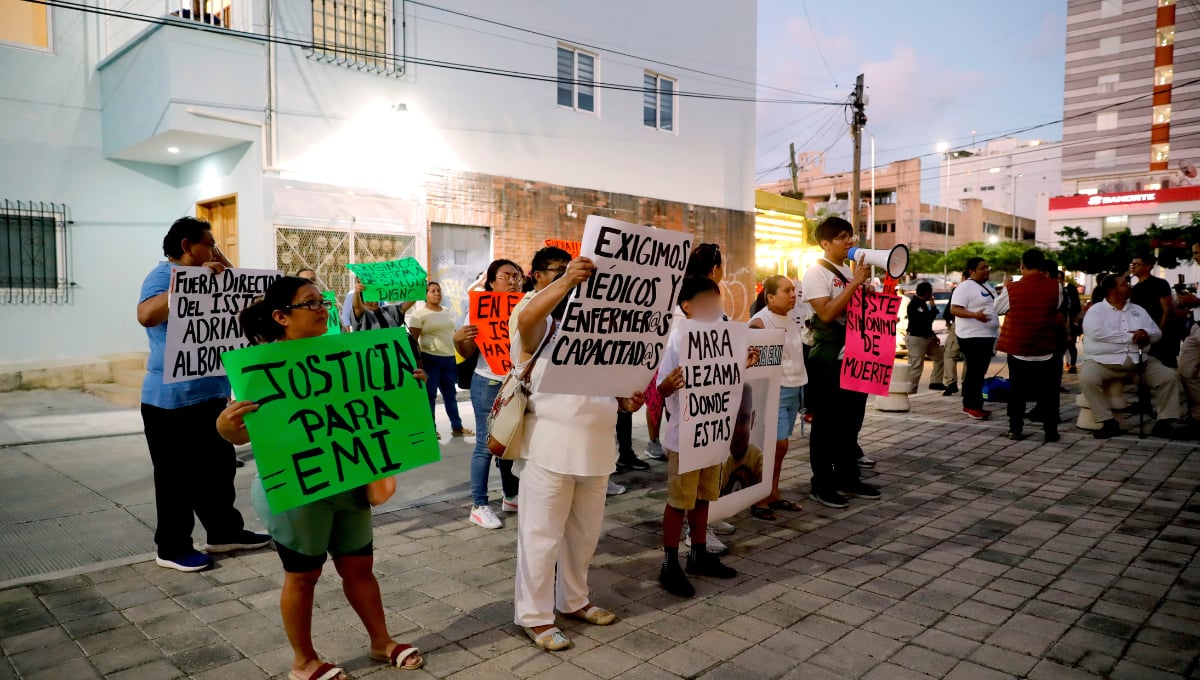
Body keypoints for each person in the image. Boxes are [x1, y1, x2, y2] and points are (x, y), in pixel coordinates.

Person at [216, 277, 425, 679]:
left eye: (322, 301)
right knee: (303, 575)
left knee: (360, 566)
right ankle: (303, 660)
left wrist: (409, 390)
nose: (322, 308)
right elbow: (240, 432)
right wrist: (225, 426)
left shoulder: (347, 354)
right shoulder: (260, 368)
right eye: (310, 303)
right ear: (281, 317)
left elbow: (383, 410)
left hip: (350, 478)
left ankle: (381, 642)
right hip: (299, 489)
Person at [511, 255, 645, 652]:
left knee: (584, 535)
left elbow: (615, 390)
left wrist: (626, 401)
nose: (578, 281)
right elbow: (526, 322)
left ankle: (573, 600)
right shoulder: (537, 316)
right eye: (563, 273)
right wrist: (566, 282)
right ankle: (534, 617)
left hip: (598, 448)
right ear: (541, 278)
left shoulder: (601, 328)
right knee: (541, 536)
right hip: (549, 448)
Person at [136, 216, 269, 573]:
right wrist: (189, 287)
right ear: (186, 246)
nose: (214, 250)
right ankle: (172, 546)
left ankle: (224, 532)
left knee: (217, 471)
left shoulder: (213, 276)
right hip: (170, 401)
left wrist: (221, 266)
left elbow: (247, 297)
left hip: (210, 397)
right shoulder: (163, 276)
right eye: (209, 243)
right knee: (174, 477)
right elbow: (147, 315)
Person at [656, 276, 740, 597]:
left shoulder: (725, 337)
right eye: (705, 301)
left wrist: (744, 364)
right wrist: (669, 385)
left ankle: (698, 553)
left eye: (715, 300)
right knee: (680, 501)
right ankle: (669, 562)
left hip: (711, 434)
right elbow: (661, 387)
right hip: (685, 438)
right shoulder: (678, 339)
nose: (713, 307)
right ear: (686, 307)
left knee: (704, 497)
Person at [801, 219, 881, 510]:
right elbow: (826, 313)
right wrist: (856, 284)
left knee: (851, 419)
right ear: (825, 243)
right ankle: (821, 484)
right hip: (828, 358)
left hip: (854, 354)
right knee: (826, 423)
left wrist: (865, 294)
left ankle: (848, 476)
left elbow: (853, 309)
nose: (850, 241)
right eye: (842, 237)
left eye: (851, 236)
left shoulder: (847, 272)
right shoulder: (815, 272)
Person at [453, 259, 526, 530]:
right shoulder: (479, 310)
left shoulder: (527, 307)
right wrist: (459, 338)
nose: (513, 281)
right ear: (491, 282)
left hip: (516, 383)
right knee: (486, 445)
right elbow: (469, 351)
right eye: (506, 276)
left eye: (517, 276)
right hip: (489, 382)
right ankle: (479, 505)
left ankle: (510, 496)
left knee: (510, 442)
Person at [1080, 274, 1187, 440]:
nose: (1129, 286)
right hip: (1104, 362)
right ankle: (1107, 421)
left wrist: (1145, 334)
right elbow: (1097, 333)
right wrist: (1131, 336)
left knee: (1168, 376)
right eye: (1124, 284)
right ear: (1111, 290)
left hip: (1139, 363)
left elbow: (1156, 333)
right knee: (1087, 378)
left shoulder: (1138, 310)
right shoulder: (1096, 311)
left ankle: (1164, 423)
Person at [748, 275, 809, 519]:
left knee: (780, 449)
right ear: (770, 297)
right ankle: (759, 498)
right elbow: (753, 362)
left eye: (794, 290)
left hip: (795, 387)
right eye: (786, 291)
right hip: (776, 390)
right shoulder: (760, 322)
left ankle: (772, 492)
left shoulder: (792, 317)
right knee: (775, 445)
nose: (793, 295)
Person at [994, 249, 1063, 442]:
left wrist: (1006, 288)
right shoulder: (1055, 287)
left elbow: (997, 309)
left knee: (1018, 391)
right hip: (1046, 348)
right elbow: (1056, 306)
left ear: (1022, 266)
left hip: (1019, 348)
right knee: (1048, 392)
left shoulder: (1013, 288)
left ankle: (1015, 429)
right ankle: (1051, 431)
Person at [410, 282, 473, 438]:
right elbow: (413, 341)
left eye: (439, 290)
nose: (437, 293)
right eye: (432, 291)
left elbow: (453, 333)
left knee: (450, 395)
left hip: (449, 359)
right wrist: (418, 363)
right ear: (425, 295)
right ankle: (431, 429)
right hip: (429, 359)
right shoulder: (418, 315)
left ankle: (457, 427)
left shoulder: (447, 312)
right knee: (430, 396)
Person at [950, 258, 999, 420]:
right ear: (971, 271)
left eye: (987, 267)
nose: (987, 270)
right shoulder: (965, 287)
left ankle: (973, 404)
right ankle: (971, 405)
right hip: (972, 336)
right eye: (982, 268)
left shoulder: (987, 287)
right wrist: (974, 315)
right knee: (975, 371)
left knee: (979, 371)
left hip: (987, 336)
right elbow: (954, 309)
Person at [1130, 253, 1176, 367]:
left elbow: (1167, 309)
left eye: (1136, 264)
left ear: (1148, 266)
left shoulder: (1159, 284)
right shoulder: (1134, 289)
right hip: (1144, 335)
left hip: (1161, 333)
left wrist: (1160, 331)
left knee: (1167, 367)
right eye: (1132, 264)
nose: (1133, 267)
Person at [720, 387, 763, 495]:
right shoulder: (725, 468)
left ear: (752, 420)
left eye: (743, 419)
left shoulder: (757, 458)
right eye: (731, 421)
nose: (737, 430)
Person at [905, 282, 946, 393]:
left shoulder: (922, 304)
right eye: (930, 293)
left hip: (927, 337)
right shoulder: (915, 305)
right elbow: (925, 320)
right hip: (917, 338)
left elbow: (927, 324)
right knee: (916, 366)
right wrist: (933, 307)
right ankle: (910, 390)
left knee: (939, 356)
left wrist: (933, 336)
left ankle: (936, 382)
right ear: (927, 293)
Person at [1175, 242, 1200, 422]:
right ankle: (1197, 413)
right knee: (1185, 370)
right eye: (1194, 253)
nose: (1195, 257)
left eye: (1197, 253)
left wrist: (1195, 301)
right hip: (1197, 326)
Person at [1058, 270, 1082, 374]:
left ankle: (1072, 365)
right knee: (1060, 347)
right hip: (1059, 322)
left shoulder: (1069, 290)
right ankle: (1064, 364)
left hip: (1071, 321)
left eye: (1060, 278)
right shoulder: (1054, 291)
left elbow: (1077, 306)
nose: (1058, 280)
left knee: (1071, 343)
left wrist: (1076, 321)